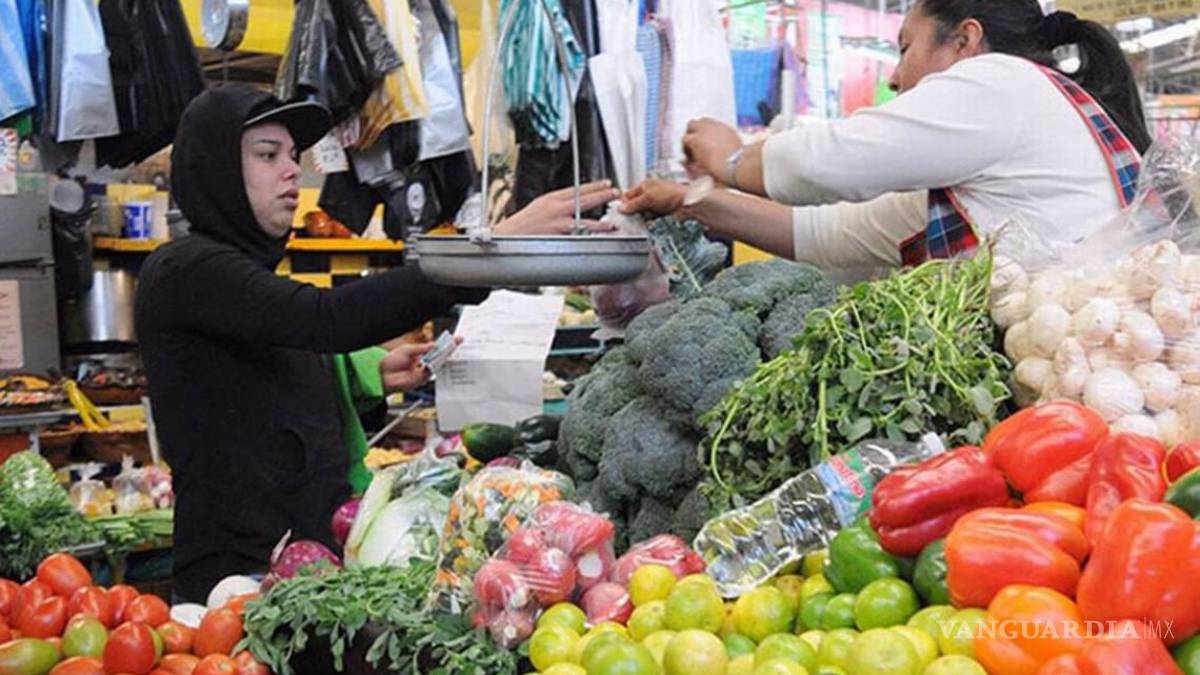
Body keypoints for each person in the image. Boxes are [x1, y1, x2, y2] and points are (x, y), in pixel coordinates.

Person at [136, 84, 618, 602]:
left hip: (307, 568)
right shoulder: (184, 270)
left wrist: (370, 374)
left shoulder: (241, 274)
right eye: (268, 155)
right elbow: (325, 319)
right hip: (235, 582)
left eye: (293, 156)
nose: (292, 171)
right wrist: (490, 250)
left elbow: (272, 366)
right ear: (215, 169)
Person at [622, 0, 1150, 278]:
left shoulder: (1001, 81)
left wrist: (734, 159)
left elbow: (831, 160)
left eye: (905, 48)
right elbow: (828, 235)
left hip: (1079, 383)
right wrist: (688, 202)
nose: (895, 77)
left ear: (965, 40)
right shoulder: (989, 159)